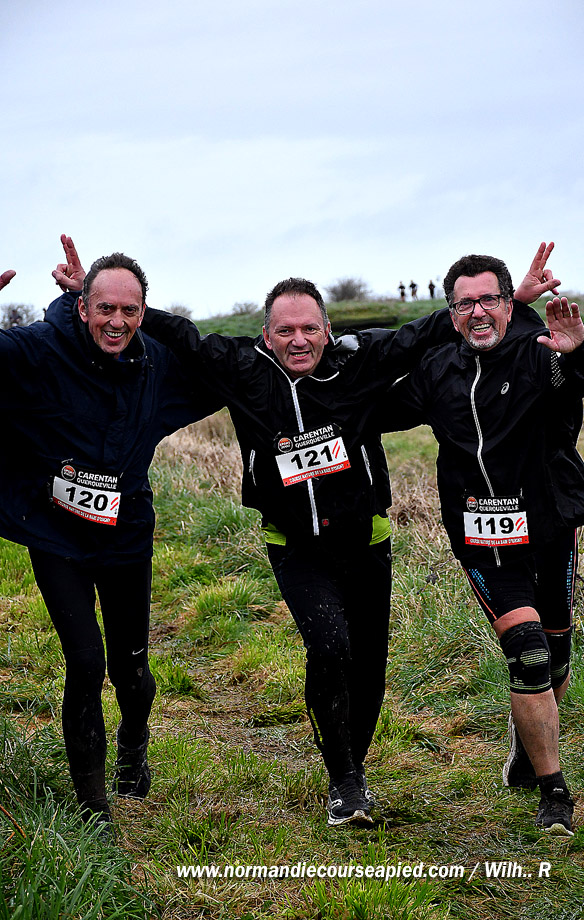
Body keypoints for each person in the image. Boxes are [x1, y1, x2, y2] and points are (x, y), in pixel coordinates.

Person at [141, 253, 554, 826]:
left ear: (328, 330)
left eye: (310, 328)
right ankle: (344, 781)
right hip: (294, 545)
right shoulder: (241, 368)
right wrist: (104, 303)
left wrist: (516, 304)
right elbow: (180, 335)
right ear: (266, 335)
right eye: (286, 330)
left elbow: (424, 332)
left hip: (366, 540)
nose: (299, 340)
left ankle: (351, 767)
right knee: (329, 647)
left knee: (368, 668)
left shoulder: (357, 364)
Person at [378, 247, 584, 836]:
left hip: (549, 524)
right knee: (528, 652)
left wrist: (582, 346)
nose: (478, 312)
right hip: (481, 533)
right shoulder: (437, 370)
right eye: (465, 304)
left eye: (489, 299)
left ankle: (526, 751)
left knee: (555, 654)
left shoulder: (539, 354)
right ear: (451, 313)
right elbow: (375, 410)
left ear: (510, 305)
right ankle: (554, 791)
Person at [0, 238, 220, 830]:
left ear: (144, 312)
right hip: (57, 536)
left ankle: (134, 743)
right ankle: (94, 810)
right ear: (81, 307)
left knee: (131, 670)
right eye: (105, 308)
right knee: (85, 662)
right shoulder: (41, 349)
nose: (116, 322)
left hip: (127, 535)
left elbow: (223, 371)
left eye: (129, 310)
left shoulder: (157, 363)